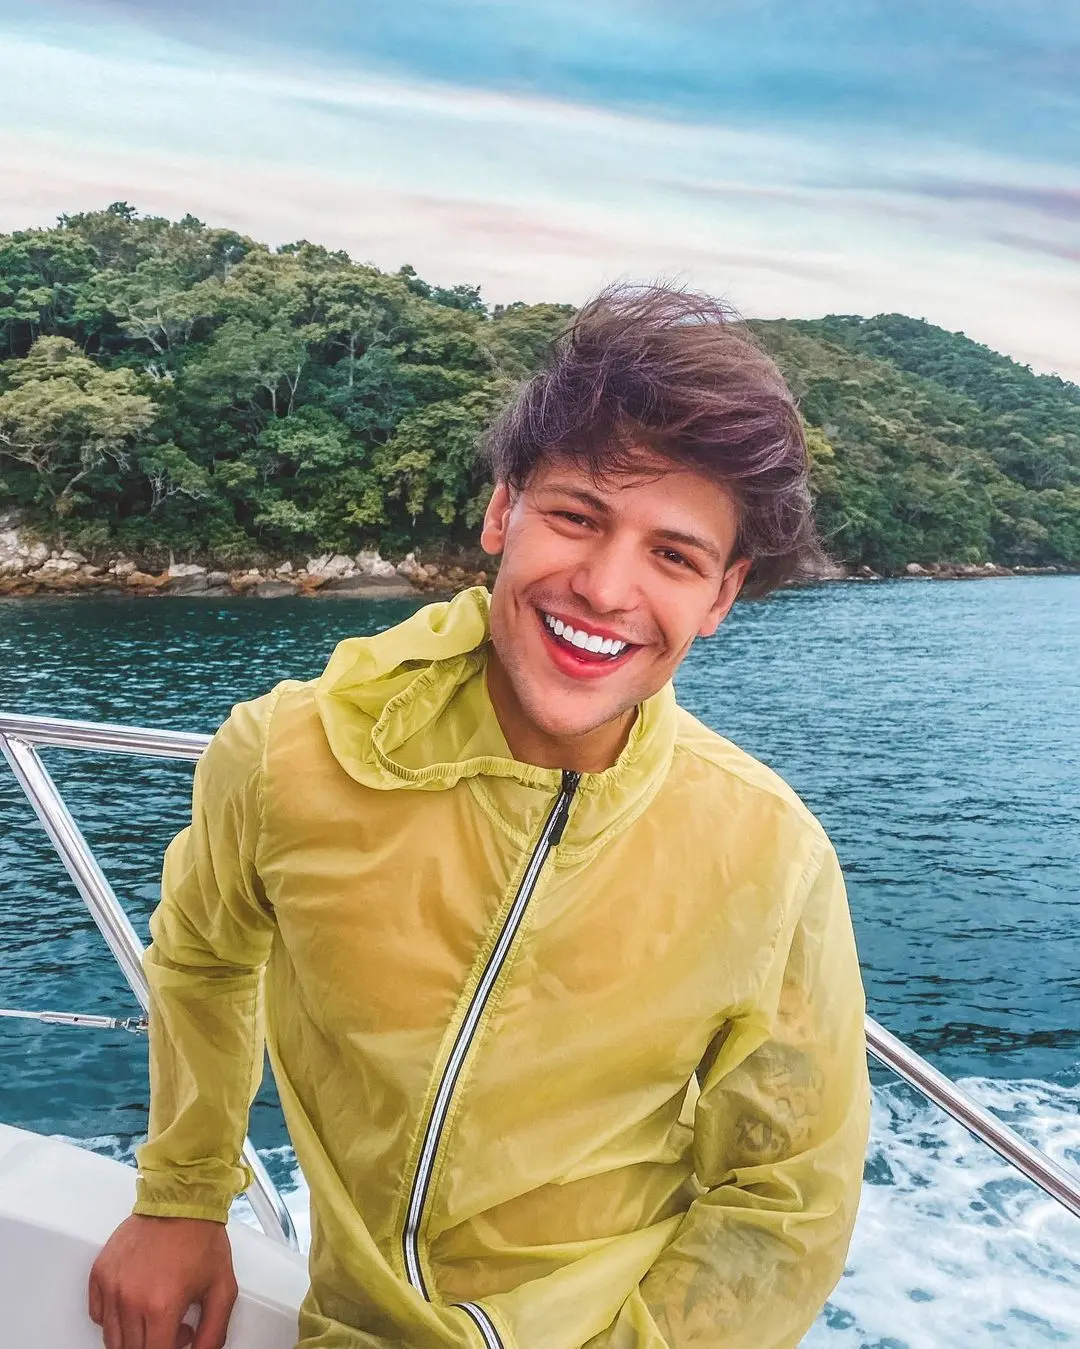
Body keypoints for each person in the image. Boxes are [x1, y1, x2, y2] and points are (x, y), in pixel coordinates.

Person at [89, 285, 870, 1349]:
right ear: (504, 511)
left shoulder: (769, 853)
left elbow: (788, 1190)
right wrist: (183, 1192)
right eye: (577, 516)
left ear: (721, 597)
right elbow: (204, 954)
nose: (606, 587)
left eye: (674, 555)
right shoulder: (287, 755)